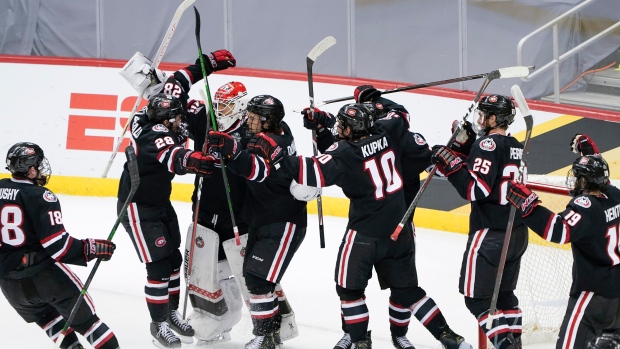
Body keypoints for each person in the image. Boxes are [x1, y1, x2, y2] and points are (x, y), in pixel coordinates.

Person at [251, 102, 471, 349]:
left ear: (352, 129)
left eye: (342, 125)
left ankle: (360, 342)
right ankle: (449, 337)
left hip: (364, 236)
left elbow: (310, 172)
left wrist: (278, 154)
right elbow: (399, 115)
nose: (340, 129)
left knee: (349, 291)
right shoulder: (388, 133)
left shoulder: (346, 152)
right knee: (409, 291)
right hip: (399, 231)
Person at [117, 48, 235, 349]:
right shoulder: (151, 131)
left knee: (171, 262)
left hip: (159, 204)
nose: (182, 121)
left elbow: (182, 79)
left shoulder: (166, 104)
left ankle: (168, 314)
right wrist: (193, 160)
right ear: (163, 119)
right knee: (157, 267)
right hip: (137, 207)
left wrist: (207, 64)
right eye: (176, 119)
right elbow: (172, 155)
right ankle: (158, 325)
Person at [207, 94, 307, 349]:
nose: (247, 121)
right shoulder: (281, 129)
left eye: (253, 118)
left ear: (267, 122)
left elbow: (257, 170)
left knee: (257, 280)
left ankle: (265, 336)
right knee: (256, 278)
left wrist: (231, 151)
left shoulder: (272, 143)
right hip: (263, 218)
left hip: (283, 221)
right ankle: (270, 334)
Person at [0, 142, 119, 349]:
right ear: (30, 168)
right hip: (45, 278)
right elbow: (59, 246)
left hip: (10, 283)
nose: (41, 168)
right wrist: (90, 248)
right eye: (37, 164)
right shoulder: (41, 196)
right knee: (89, 325)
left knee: (47, 318)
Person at [430, 95, 526, 349]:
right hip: (516, 232)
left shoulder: (487, 145)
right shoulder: (514, 144)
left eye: (485, 114)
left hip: (489, 234)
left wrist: (451, 165)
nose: (481, 118)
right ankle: (514, 345)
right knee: (505, 296)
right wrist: (465, 147)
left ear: (494, 118)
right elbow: (488, 170)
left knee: (477, 301)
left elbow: (475, 189)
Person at [505, 136, 620, 349]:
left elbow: (558, 231)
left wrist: (528, 205)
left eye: (579, 178)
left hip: (593, 294)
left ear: (585, 181)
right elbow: (601, 179)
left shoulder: (586, 206)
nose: (575, 181)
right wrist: (590, 155)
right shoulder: (614, 195)